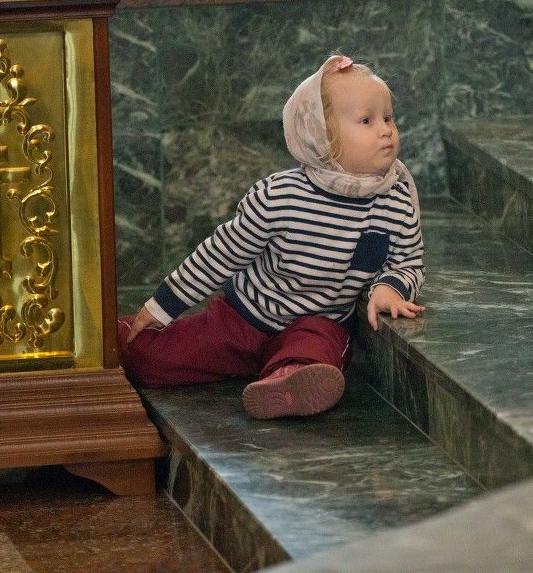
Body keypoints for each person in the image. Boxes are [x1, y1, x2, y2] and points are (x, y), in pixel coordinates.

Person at [119, 55, 426, 419]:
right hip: (243, 318)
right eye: (367, 121)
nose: (386, 130)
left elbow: (408, 260)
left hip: (317, 321)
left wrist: (390, 287)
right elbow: (221, 254)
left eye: (388, 118)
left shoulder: (396, 200)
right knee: (149, 356)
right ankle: (118, 339)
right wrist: (163, 306)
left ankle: (287, 380)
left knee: (319, 351)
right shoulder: (280, 195)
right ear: (322, 137)